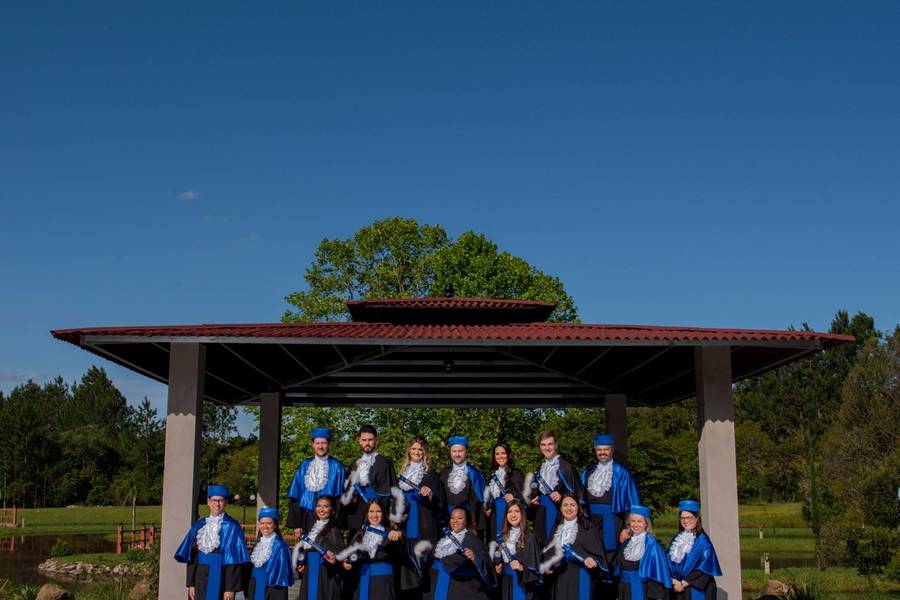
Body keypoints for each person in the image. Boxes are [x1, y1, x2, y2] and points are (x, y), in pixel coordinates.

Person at [581, 433, 641, 594]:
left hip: (612, 521)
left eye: (605, 449)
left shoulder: (622, 472)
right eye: (599, 450)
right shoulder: (588, 471)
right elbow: (579, 499)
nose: (602, 453)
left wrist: (627, 528)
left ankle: (609, 594)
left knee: (610, 559)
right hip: (590, 522)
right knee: (591, 556)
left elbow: (633, 503)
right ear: (595, 451)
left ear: (612, 450)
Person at [174, 484, 249, 600]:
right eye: (214, 500)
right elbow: (192, 557)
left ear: (226, 502)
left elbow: (234, 561)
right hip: (200, 576)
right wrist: (191, 583)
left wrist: (230, 589)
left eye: (220, 500)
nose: (217, 504)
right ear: (208, 502)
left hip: (221, 575)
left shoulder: (232, 526)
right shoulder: (199, 525)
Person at [396, 436, 445, 595]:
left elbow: (439, 500)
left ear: (425, 452)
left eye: (420, 450)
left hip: (424, 522)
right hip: (406, 522)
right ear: (409, 451)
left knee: (424, 562)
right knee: (407, 565)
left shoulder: (429, 472)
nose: (416, 452)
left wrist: (430, 494)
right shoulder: (402, 472)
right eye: (414, 449)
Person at [539, 493, 607, 600]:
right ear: (560, 509)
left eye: (572, 505)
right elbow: (548, 552)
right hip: (559, 579)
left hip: (581, 577)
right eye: (565, 505)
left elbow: (599, 556)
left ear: (578, 508)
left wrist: (594, 561)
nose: (569, 508)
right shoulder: (556, 528)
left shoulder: (588, 528)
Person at [424, 506, 495, 600]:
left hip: (460, 589)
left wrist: (474, 558)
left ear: (466, 521)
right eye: (452, 518)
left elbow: (485, 564)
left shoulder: (472, 539)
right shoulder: (443, 539)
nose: (455, 521)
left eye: (460, 518)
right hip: (438, 587)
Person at [339, 499, 405, 600]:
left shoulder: (390, 532)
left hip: (383, 581)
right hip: (362, 580)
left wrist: (399, 534)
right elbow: (349, 557)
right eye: (371, 511)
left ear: (383, 513)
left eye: (378, 511)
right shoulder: (360, 534)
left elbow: (403, 544)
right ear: (366, 513)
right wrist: (346, 564)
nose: (374, 515)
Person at [525, 430, 582, 546]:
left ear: (556, 445)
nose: (547, 448)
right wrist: (533, 501)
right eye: (543, 445)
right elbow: (535, 494)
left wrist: (563, 497)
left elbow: (578, 495)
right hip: (541, 517)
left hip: (559, 516)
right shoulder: (540, 468)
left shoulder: (567, 468)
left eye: (550, 444)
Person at [342, 425, 398, 539]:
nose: (367, 443)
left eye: (370, 440)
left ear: (376, 440)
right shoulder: (354, 464)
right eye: (364, 440)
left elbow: (391, 491)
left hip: (378, 513)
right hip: (358, 515)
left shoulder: (384, 463)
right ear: (360, 441)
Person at [287, 428, 347, 531]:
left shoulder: (337, 466)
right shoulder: (304, 465)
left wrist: (337, 523)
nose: (320, 446)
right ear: (313, 444)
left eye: (323, 443)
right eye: (317, 443)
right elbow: (296, 496)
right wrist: (297, 524)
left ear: (329, 444)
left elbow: (339, 498)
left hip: (329, 520)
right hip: (307, 518)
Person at [667, 501, 722, 600]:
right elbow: (668, 561)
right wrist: (673, 581)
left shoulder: (703, 541)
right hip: (676, 586)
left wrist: (684, 584)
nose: (685, 521)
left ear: (697, 519)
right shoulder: (676, 539)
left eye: (689, 517)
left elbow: (706, 567)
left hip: (695, 587)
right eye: (683, 518)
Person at [296, 495, 346, 600]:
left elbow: (340, 553)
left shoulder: (334, 529)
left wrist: (333, 558)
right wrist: (302, 564)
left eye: (326, 506)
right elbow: (306, 550)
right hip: (310, 572)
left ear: (332, 510)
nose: (321, 509)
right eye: (319, 506)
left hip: (325, 575)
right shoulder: (312, 528)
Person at [490, 500, 540, 600]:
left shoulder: (530, 537)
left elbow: (535, 569)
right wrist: (498, 568)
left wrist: (522, 567)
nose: (513, 515)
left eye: (517, 511)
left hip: (522, 585)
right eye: (509, 511)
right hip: (506, 583)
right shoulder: (501, 537)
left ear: (522, 513)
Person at [618, 506, 671, 600]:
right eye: (633, 521)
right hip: (625, 588)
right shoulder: (627, 542)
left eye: (639, 521)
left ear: (646, 524)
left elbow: (657, 572)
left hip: (640, 588)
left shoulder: (651, 544)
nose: (635, 524)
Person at [439, 436, 485, 533]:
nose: (457, 454)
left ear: (466, 451)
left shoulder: (474, 473)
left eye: (460, 451)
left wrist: (472, 523)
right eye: (454, 451)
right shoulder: (443, 473)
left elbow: (478, 501)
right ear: (450, 452)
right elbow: (440, 499)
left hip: (468, 520)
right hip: (448, 520)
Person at [246, 507, 293, 600]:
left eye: (269, 523)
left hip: (271, 589)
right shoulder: (258, 544)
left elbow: (281, 577)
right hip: (255, 585)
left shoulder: (281, 545)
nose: (265, 526)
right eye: (262, 523)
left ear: (275, 525)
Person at [483, 443, 526, 542]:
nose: (500, 456)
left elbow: (524, 498)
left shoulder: (516, 474)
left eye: (503, 453)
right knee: (494, 542)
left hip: (509, 514)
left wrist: (514, 497)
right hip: (495, 514)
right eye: (497, 454)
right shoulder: (493, 474)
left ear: (508, 454)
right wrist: (488, 507)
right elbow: (491, 497)